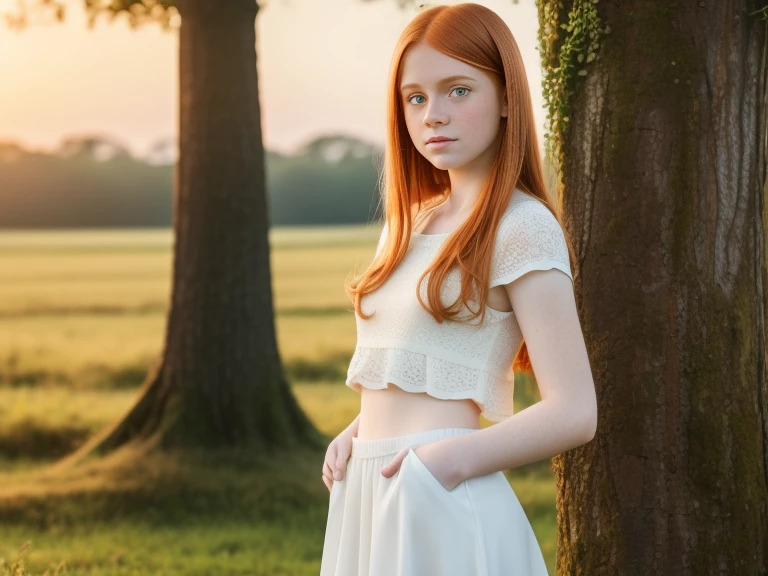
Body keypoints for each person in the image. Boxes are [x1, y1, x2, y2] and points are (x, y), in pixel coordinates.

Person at [320, 3, 597, 575]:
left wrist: (444, 464)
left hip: (442, 495)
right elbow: (413, 366)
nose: (433, 115)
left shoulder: (522, 226)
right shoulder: (409, 224)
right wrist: (356, 434)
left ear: (505, 100)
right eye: (416, 97)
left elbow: (575, 411)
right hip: (366, 495)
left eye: (458, 91)